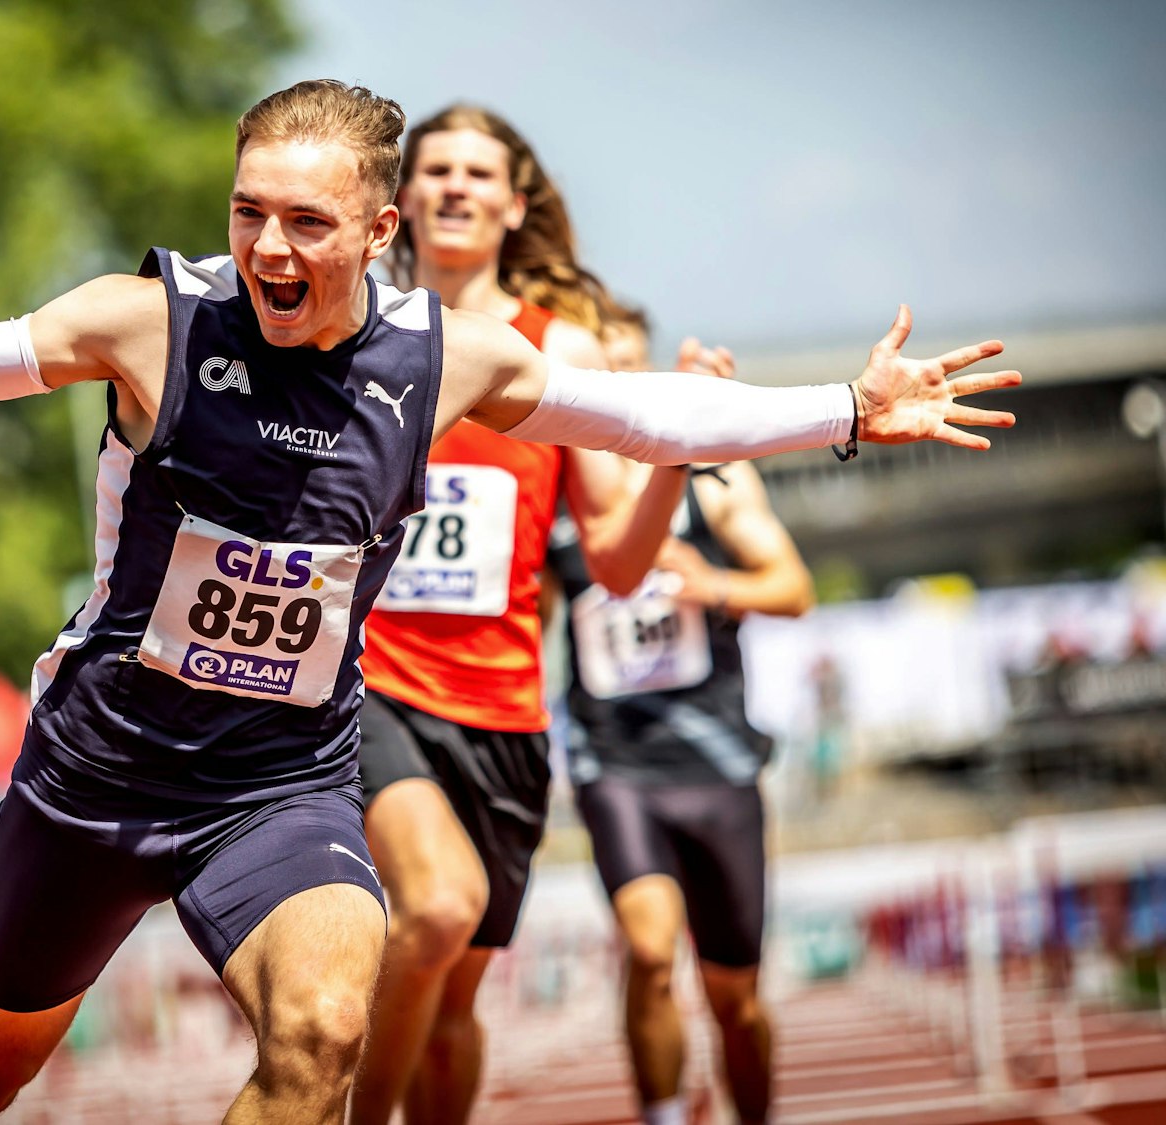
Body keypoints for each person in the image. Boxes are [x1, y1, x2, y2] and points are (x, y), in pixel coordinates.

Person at [0, 79, 1017, 1124]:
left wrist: (843, 409)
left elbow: (642, 422)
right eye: (249, 215)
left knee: (323, 1031)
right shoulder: (152, 323)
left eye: (306, 223)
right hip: (95, 774)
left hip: (279, 784)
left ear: (379, 232)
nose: (271, 250)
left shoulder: (447, 365)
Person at [349, 103, 730, 1125]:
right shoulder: (356, 330)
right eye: (433, 170)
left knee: (449, 1001)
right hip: (369, 691)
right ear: (399, 201)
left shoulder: (559, 348)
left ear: (514, 205)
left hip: (504, 719)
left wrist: (671, 460)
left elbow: (611, 563)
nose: (454, 188)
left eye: (478, 172)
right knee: (430, 909)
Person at [552, 301, 812, 1125]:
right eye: (602, 367)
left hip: (718, 758)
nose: (618, 381)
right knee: (651, 951)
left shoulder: (717, 472)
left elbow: (794, 587)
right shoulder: (560, 484)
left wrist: (718, 585)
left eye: (630, 362)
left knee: (735, 994)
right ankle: (664, 1113)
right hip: (613, 759)